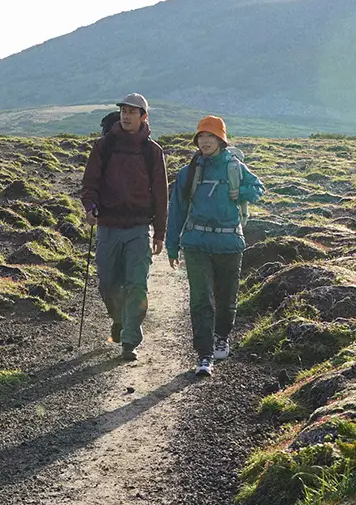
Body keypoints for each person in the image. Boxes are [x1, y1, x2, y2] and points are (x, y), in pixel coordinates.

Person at [166, 116, 264, 377]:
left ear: (221, 140)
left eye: (211, 136)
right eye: (201, 136)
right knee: (201, 299)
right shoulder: (188, 173)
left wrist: (241, 192)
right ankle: (204, 355)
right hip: (196, 242)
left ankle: (222, 336)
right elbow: (176, 210)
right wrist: (172, 245)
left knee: (226, 297)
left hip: (229, 242)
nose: (205, 141)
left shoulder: (235, 167)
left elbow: (258, 188)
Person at [78, 93, 168, 361]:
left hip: (139, 228)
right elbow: (90, 183)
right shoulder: (103, 146)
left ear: (143, 116)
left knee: (137, 285)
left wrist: (160, 233)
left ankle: (130, 339)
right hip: (107, 226)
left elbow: (161, 196)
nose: (127, 116)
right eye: (123, 111)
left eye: (132, 111)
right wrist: (90, 206)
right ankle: (118, 320)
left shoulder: (152, 151)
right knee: (108, 284)